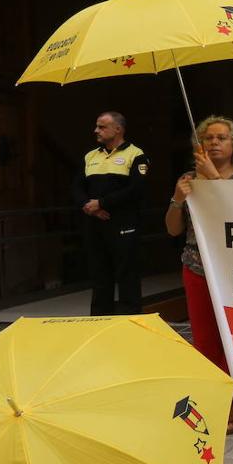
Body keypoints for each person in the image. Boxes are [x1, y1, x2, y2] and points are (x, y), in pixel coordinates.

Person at [165, 115, 233, 433]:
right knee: (204, 340)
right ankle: (214, 400)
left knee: (230, 337)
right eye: (209, 138)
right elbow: (173, 228)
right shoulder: (189, 178)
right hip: (197, 266)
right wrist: (178, 199)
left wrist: (213, 177)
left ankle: (229, 398)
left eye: (222, 138)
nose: (215, 143)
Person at [73, 111, 150, 316]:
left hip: (124, 223)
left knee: (127, 273)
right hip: (95, 223)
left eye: (102, 126)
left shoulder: (135, 154)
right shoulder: (90, 156)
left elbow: (137, 189)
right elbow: (77, 187)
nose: (96, 130)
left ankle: (130, 318)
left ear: (118, 129)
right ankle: (99, 318)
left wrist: (103, 203)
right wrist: (89, 207)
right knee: (99, 274)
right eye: (97, 126)